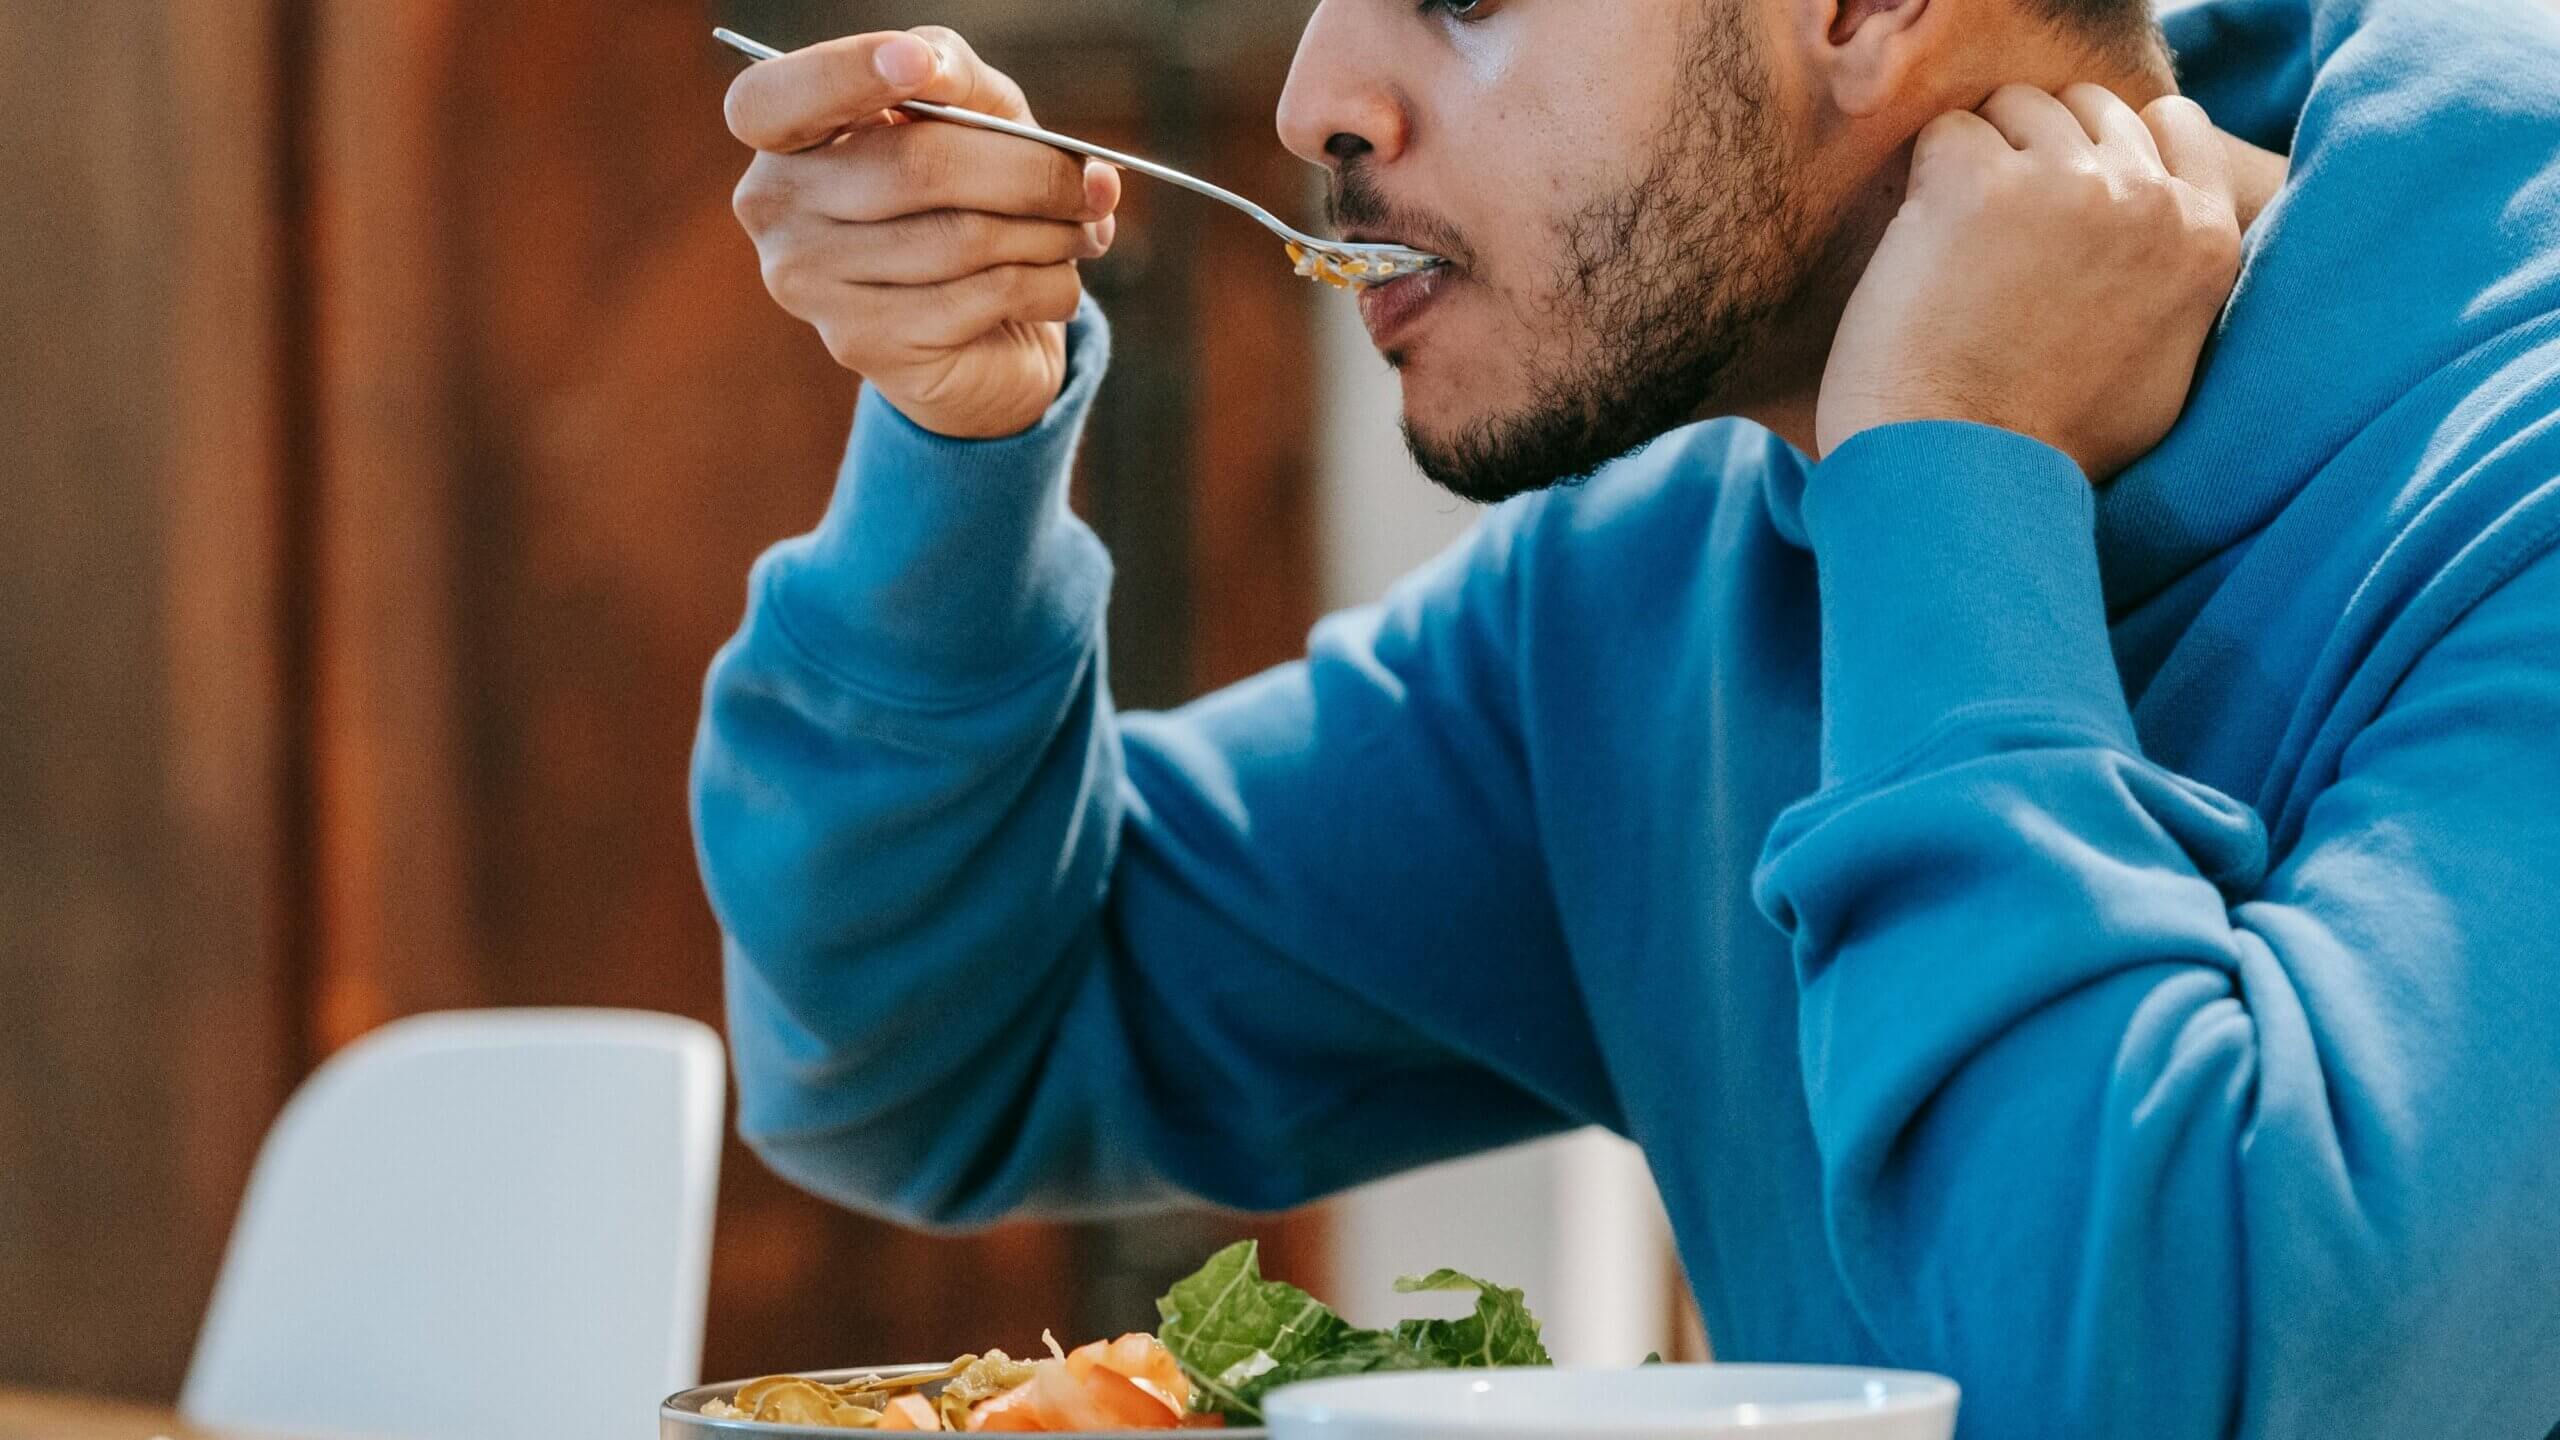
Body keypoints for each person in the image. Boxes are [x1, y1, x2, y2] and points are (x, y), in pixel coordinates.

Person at [691, 0, 2560, 1433]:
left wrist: (1952, 485)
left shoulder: (2512, 497)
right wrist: (960, 445)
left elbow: (2158, 1390)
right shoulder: (1649, 593)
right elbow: (939, 1054)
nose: (1316, 95)